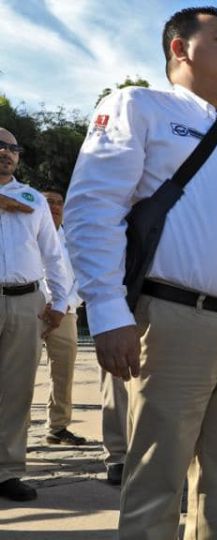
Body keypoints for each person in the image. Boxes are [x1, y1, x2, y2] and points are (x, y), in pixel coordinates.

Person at [64, 8, 217, 537]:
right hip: (176, 320)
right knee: (157, 485)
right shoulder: (139, 106)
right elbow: (93, 209)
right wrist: (107, 311)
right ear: (179, 49)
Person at [0, 128, 70, 502]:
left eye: (12, 148)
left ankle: (6, 471)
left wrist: (59, 302)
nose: (5, 152)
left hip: (26, 301)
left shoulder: (32, 199)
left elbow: (53, 254)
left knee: (16, 389)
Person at [39, 190, 87, 447]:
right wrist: (45, 302)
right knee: (17, 372)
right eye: (49, 202)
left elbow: (82, 279)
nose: (55, 207)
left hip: (65, 313)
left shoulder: (74, 241)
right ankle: (11, 430)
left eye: (59, 203)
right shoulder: (25, 233)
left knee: (63, 373)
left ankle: (57, 427)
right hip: (32, 309)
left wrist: (62, 306)